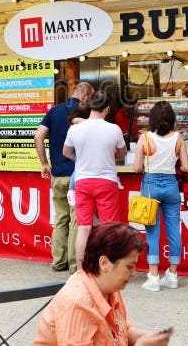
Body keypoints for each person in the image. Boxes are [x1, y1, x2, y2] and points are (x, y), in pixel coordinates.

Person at [34, 221, 174, 346]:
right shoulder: (78, 304)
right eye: (129, 266)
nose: (133, 273)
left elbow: (122, 331)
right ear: (104, 263)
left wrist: (150, 338)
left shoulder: (108, 285)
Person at [63, 91, 127, 271]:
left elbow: (66, 152)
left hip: (83, 182)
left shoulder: (75, 129)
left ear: (91, 106)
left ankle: (81, 270)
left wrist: (82, 157)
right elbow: (122, 153)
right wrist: (109, 153)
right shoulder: (114, 129)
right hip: (106, 181)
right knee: (109, 228)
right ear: (107, 109)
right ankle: (108, 267)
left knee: (83, 228)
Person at [34, 81, 94, 273]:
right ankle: (75, 265)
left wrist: (44, 164)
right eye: (90, 97)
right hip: (78, 176)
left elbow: (38, 136)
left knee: (60, 219)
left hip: (58, 175)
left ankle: (58, 261)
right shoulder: (85, 112)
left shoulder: (54, 111)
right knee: (77, 220)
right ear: (85, 95)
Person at [133, 101, 188, 292]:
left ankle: (154, 277)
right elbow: (185, 167)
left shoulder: (145, 138)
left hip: (150, 186)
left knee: (152, 232)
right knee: (174, 229)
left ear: (152, 119)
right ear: (172, 118)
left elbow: (137, 168)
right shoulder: (178, 138)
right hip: (172, 186)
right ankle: (172, 275)